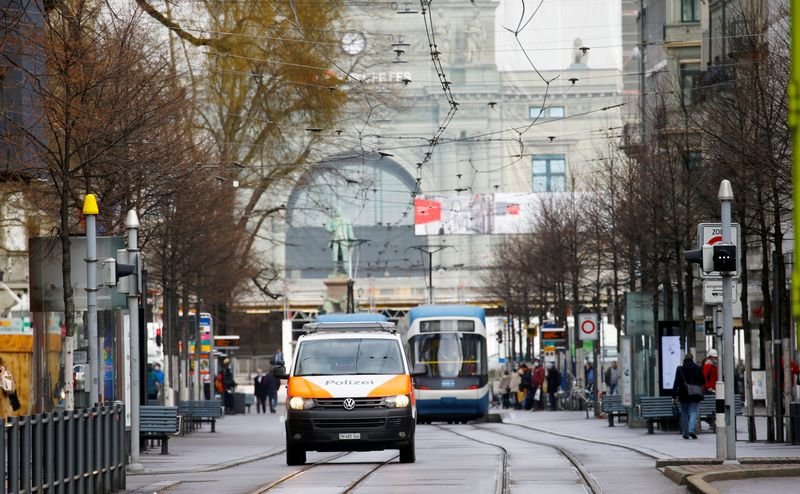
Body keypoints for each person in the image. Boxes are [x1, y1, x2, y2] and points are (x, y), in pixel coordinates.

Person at [672, 353, 705, 439]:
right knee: (693, 411)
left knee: (684, 412)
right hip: (694, 393)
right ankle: (691, 429)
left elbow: (676, 382)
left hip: (683, 394)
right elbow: (702, 381)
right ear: (692, 359)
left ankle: (685, 432)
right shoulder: (697, 368)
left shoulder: (680, 369)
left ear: (684, 359)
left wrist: (674, 396)